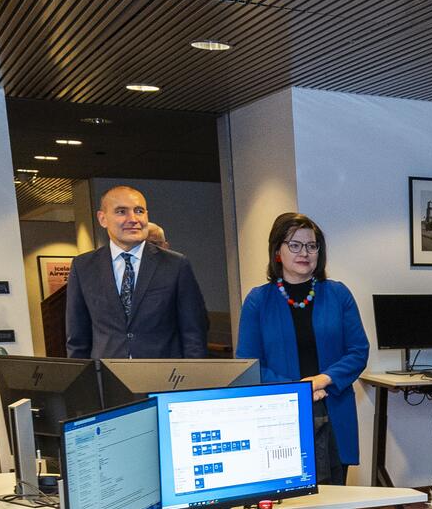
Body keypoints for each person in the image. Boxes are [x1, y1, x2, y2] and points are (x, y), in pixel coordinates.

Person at [236, 212, 369, 486]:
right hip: (280, 414)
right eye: (294, 245)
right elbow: (248, 365)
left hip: (333, 409)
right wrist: (299, 389)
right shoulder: (258, 301)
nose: (304, 253)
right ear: (277, 251)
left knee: (335, 499)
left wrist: (321, 380)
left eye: (311, 245)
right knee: (287, 500)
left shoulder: (338, 294)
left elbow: (358, 351)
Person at [65, 185, 208, 359]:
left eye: (139, 211)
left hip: (164, 373)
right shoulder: (83, 267)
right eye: (121, 212)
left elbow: (194, 333)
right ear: (102, 219)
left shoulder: (176, 265)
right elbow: (77, 338)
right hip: (106, 373)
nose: (133, 219)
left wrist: (193, 374)